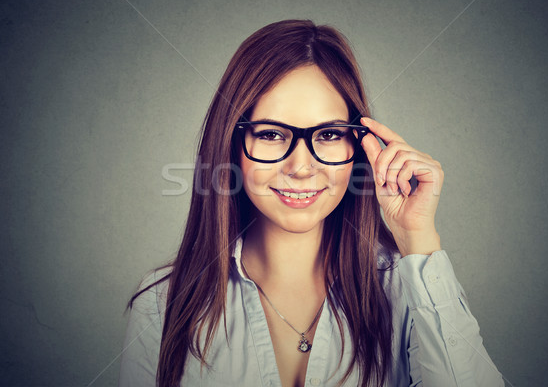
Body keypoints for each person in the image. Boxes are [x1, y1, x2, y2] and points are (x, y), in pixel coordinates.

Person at [119, 19, 505, 387]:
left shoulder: (409, 290)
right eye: (270, 134)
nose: (301, 167)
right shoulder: (162, 303)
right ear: (231, 146)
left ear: (358, 145)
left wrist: (417, 238)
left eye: (328, 135)